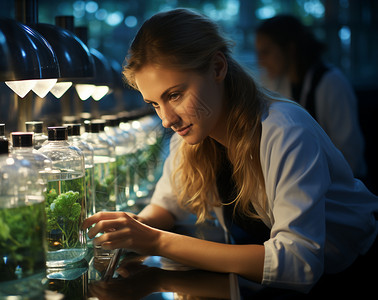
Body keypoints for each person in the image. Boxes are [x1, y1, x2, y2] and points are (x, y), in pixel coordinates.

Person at [83, 8, 378, 298]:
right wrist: (133, 229)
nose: (166, 119)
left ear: (218, 68)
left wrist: (157, 241)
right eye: (155, 103)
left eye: (175, 95)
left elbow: (299, 262)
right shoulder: (191, 134)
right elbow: (168, 206)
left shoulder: (284, 130)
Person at [255, 14, 367, 179]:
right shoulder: (275, 84)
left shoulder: (331, 82)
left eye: (266, 52)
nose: (260, 61)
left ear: (290, 49)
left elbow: (349, 155)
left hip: (338, 188)